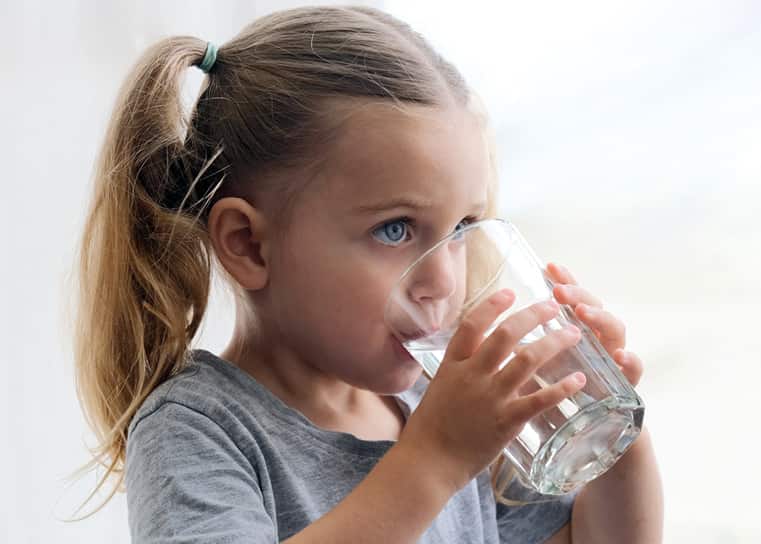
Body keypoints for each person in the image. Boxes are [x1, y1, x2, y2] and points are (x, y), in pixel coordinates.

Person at [71, 5, 663, 543]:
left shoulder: (439, 402)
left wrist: (614, 438)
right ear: (249, 244)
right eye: (395, 229)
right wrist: (432, 461)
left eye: (461, 228)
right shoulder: (197, 430)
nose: (443, 281)